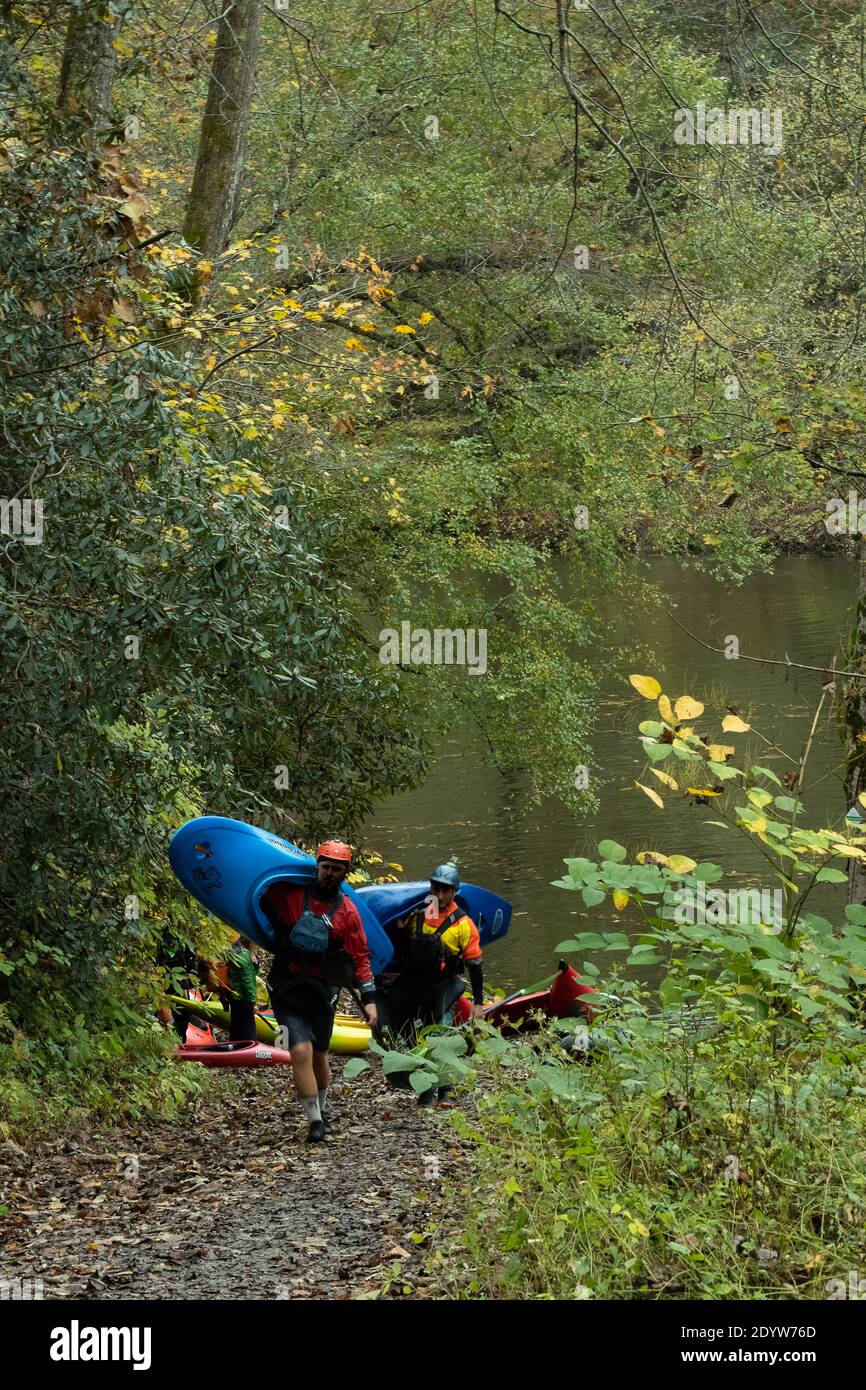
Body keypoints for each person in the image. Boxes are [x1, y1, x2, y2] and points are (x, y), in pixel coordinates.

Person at [260, 840, 377, 1144]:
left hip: (324, 989)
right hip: (287, 985)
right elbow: (258, 897)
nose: (329, 873)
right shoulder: (289, 895)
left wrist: (370, 999)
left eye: (336, 869)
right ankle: (314, 1122)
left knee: (320, 1054)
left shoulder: (348, 912)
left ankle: (322, 1112)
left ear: (344, 874)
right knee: (300, 1050)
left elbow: (360, 957)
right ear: (317, 866)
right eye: (325, 867)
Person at [377, 862, 485, 1051]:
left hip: (443, 988)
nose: (440, 896)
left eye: (446, 891)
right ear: (430, 887)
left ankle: (441, 1065)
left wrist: (478, 1003)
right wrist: (399, 931)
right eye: (436, 889)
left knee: (436, 1039)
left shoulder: (464, 925)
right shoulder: (417, 915)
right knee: (408, 1035)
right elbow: (403, 950)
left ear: (454, 891)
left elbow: (474, 964)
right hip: (414, 984)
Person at [204, 935, 258, 1041]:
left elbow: (250, 973)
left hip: (233, 996)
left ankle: (234, 1049)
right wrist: (253, 1002)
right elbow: (247, 981)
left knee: (236, 1029)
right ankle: (248, 1053)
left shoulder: (233, 950)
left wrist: (255, 964)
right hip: (242, 998)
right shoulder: (243, 954)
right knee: (248, 1032)